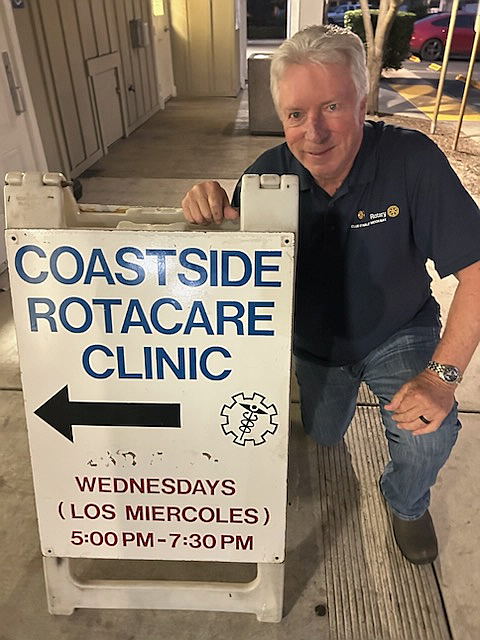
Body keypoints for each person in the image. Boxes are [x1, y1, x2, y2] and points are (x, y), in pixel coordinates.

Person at [181, 25, 480, 565]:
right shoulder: (267, 177)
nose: (313, 132)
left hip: (397, 329)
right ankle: (330, 409)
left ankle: (407, 503)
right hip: (315, 342)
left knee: (428, 431)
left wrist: (441, 378)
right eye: (296, 114)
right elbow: (227, 277)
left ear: (362, 102)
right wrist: (208, 212)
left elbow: (478, 273)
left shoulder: (412, 161)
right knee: (322, 435)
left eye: (332, 107)